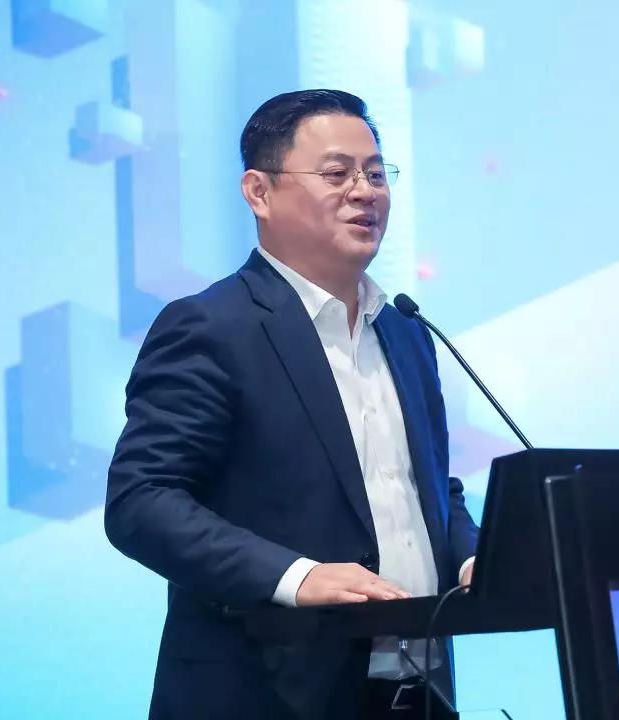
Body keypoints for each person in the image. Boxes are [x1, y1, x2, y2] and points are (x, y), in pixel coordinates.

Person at [105, 89, 479, 720]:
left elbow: (427, 488)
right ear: (259, 192)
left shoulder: (406, 331)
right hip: (269, 693)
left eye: (376, 173)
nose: (364, 192)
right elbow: (142, 501)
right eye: (336, 173)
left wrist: (473, 556)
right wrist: (296, 577)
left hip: (417, 691)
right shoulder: (214, 327)